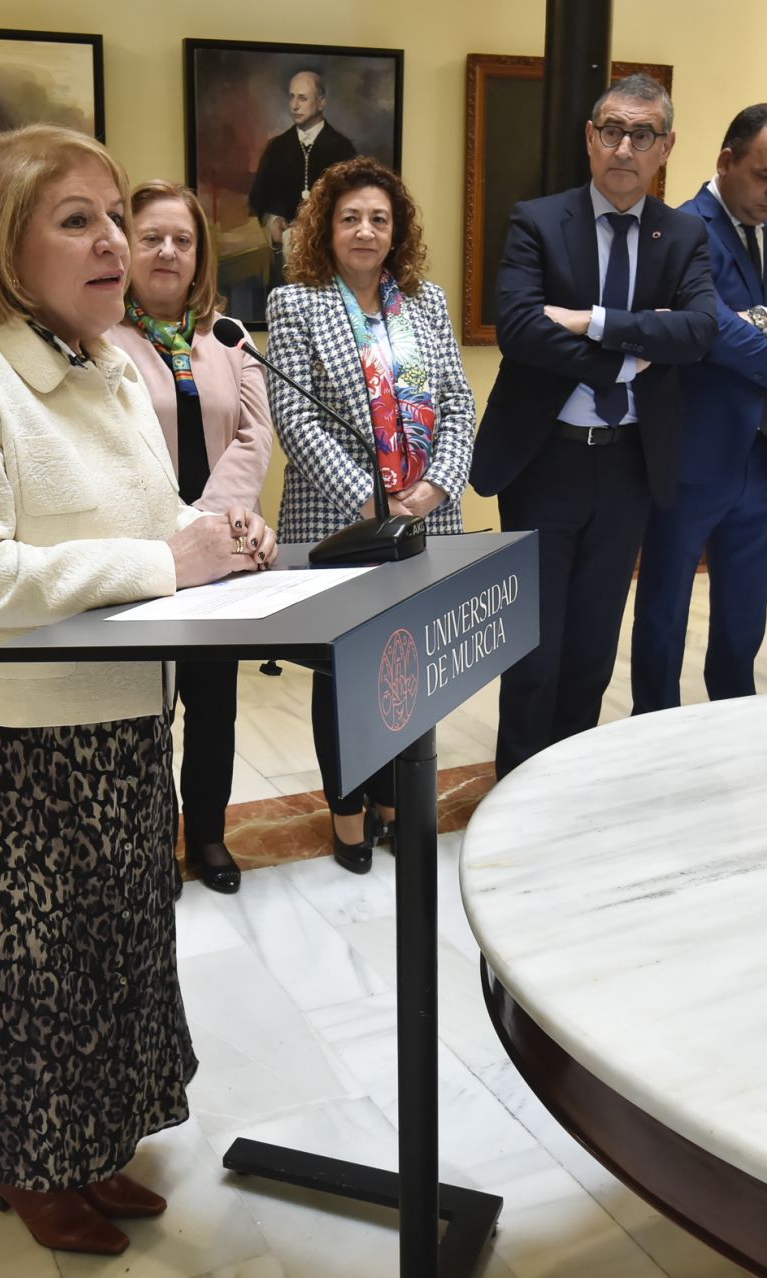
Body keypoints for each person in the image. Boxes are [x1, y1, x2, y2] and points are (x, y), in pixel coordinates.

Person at [0, 125, 277, 1257]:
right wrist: (169, 563)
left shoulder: (104, 364)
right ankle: (27, 1165)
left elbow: (151, 528)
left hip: (114, 720)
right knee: (21, 974)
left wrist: (214, 533)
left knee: (110, 952)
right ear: (6, 238)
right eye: (78, 221)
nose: (114, 244)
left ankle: (90, 1145)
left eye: (115, 217)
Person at [470, 73, 716, 778]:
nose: (624, 148)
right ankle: (514, 785)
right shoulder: (539, 222)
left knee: (591, 650)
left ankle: (562, 787)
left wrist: (592, 321)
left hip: (629, 464)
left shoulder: (685, 235)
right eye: (611, 130)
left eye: (642, 135)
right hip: (543, 461)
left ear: (665, 147)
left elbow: (699, 331)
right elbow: (519, 329)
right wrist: (630, 358)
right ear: (589, 138)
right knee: (534, 653)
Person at [265, 156, 475, 872]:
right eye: (350, 216)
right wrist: (370, 499)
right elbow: (293, 415)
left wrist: (436, 488)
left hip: (425, 520)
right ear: (326, 225)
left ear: (397, 231)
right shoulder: (296, 303)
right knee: (344, 672)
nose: (364, 230)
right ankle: (349, 814)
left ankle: (394, 800)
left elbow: (457, 405)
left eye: (378, 219)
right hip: (340, 521)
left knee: (409, 665)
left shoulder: (427, 303)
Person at [630, 104, 767, 713]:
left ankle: (734, 723)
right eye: (764, 176)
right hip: (689, 456)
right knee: (665, 611)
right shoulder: (678, 229)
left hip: (761, 457)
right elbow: (707, 332)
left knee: (744, 615)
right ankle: (654, 729)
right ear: (726, 161)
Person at [108, 180, 274, 895]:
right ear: (126, 248)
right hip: (144, 552)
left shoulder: (228, 338)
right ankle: (148, 843)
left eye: (183, 239)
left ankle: (207, 833)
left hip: (221, 553)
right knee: (144, 709)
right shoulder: (100, 339)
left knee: (213, 705)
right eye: (152, 238)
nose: (169, 251)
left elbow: (254, 433)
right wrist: (182, 533)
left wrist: (213, 520)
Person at [247, 69, 358, 277]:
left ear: (321, 102)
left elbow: (354, 206)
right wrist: (272, 222)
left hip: (332, 262)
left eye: (303, 98)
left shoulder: (343, 150)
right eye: (291, 97)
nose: (294, 106)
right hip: (285, 262)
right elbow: (260, 197)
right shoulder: (277, 148)